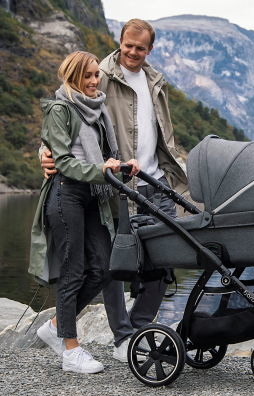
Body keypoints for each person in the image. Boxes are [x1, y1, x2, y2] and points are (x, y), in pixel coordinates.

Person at [40, 19, 189, 363]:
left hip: (157, 181)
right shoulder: (99, 74)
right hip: (117, 186)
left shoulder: (156, 81)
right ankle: (122, 338)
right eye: (128, 45)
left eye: (140, 48)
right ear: (119, 41)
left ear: (150, 49)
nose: (133, 52)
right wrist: (44, 153)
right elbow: (63, 115)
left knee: (166, 260)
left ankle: (139, 329)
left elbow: (164, 135)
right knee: (116, 261)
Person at [30, 51, 140, 373]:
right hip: (66, 194)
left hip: (93, 196)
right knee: (73, 270)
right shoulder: (60, 109)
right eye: (88, 76)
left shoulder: (98, 111)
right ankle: (71, 351)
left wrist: (122, 168)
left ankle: (55, 326)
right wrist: (102, 169)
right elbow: (63, 162)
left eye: (96, 75)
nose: (94, 81)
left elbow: (103, 159)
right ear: (73, 77)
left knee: (105, 268)